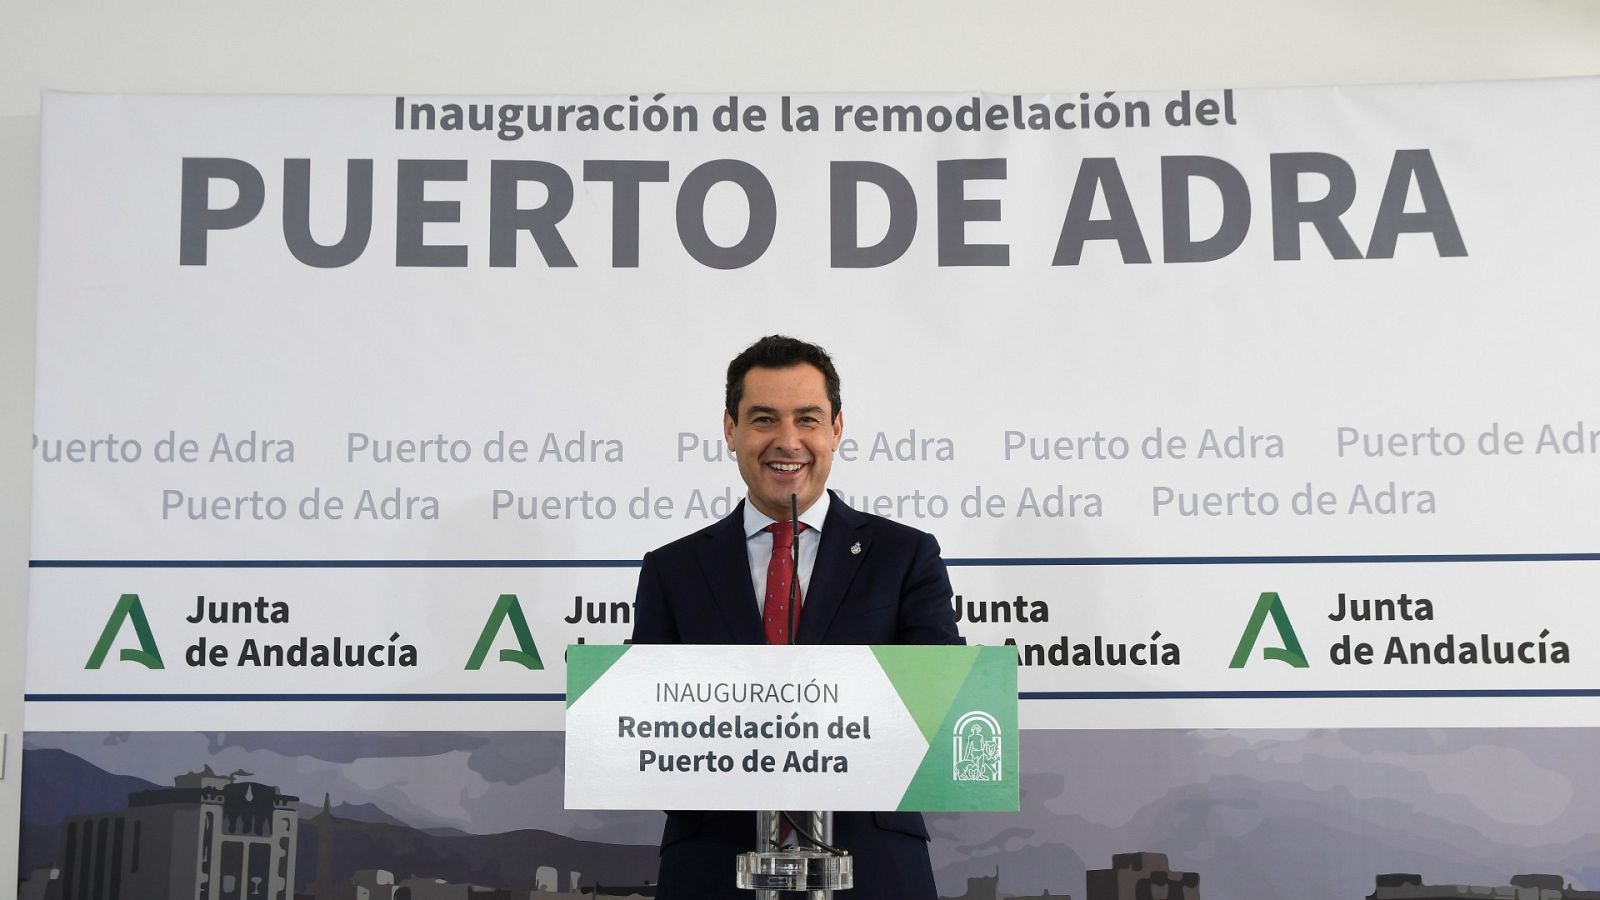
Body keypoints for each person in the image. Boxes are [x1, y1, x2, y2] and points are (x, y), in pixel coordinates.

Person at [631, 334, 963, 900]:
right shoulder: (672, 569)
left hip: (875, 870)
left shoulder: (905, 556)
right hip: (711, 869)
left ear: (836, 429)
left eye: (807, 419)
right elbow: (647, 728)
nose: (787, 441)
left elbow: (941, 707)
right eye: (764, 419)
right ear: (730, 429)